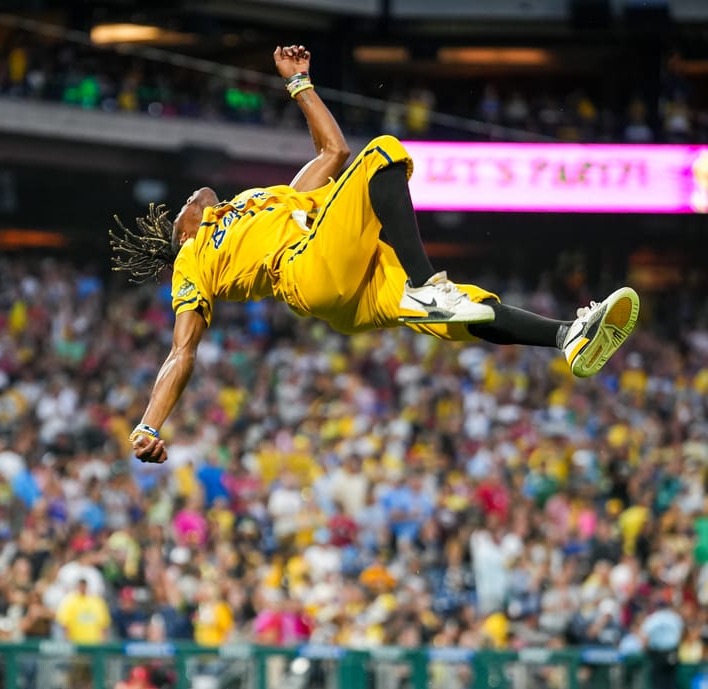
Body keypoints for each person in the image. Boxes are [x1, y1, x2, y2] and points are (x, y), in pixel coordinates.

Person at [110, 44, 640, 465]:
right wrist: (149, 424)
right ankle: (427, 285)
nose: (190, 197)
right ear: (182, 234)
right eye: (182, 206)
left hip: (351, 281)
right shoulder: (193, 257)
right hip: (307, 273)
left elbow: (332, 153)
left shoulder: (259, 200)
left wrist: (300, 85)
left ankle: (565, 336)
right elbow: (182, 352)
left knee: (468, 311)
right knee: (383, 151)